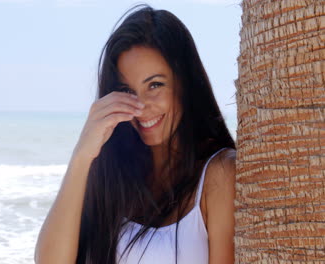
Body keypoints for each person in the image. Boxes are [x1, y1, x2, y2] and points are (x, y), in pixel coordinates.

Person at [35, 4, 236, 264]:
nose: (140, 106)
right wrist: (82, 156)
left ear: (185, 84)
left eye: (155, 85)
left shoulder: (219, 173)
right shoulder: (113, 173)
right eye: (126, 90)